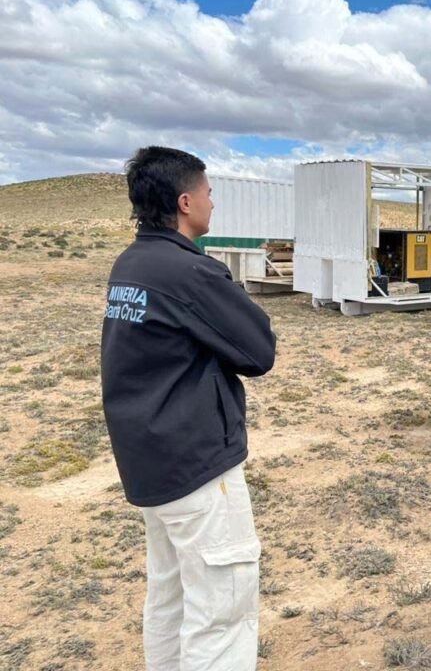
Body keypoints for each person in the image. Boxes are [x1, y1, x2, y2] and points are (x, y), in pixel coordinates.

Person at [101, 147, 276, 671]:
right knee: (221, 611)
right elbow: (258, 351)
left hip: (149, 461)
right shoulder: (188, 271)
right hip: (197, 464)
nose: (213, 203)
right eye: (208, 193)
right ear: (184, 202)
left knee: (171, 597)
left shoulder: (131, 262)